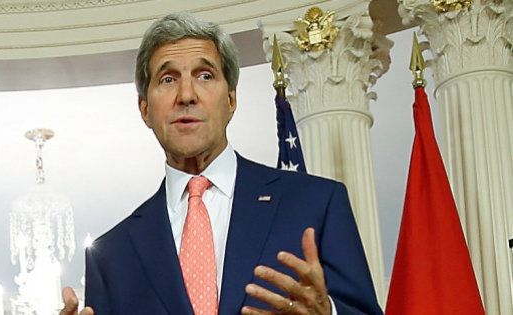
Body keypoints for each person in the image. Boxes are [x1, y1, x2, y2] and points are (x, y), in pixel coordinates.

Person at [61, 12, 382, 315]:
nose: (186, 94)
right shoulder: (111, 256)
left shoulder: (316, 203)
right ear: (145, 108)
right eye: (168, 79)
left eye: (204, 75)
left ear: (231, 100)